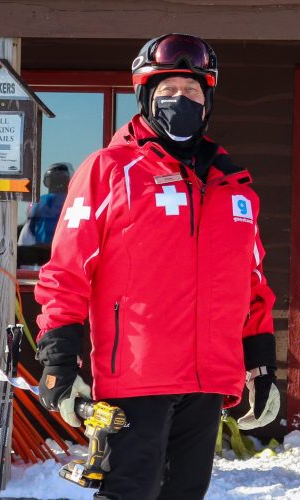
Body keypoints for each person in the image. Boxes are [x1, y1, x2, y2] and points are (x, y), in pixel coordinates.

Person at [33, 33, 278, 500]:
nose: (179, 101)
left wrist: (261, 364)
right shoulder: (110, 169)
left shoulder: (235, 185)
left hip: (208, 382)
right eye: (167, 92)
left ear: (207, 100)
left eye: (191, 91)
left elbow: (253, 284)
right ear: (146, 97)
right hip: (135, 380)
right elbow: (66, 268)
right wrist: (59, 357)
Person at [22, 162, 72, 246]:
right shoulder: (72, 200)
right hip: (64, 250)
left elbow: (29, 230)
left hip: (39, 251)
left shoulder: (37, 201)